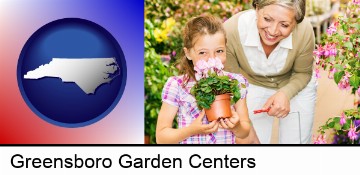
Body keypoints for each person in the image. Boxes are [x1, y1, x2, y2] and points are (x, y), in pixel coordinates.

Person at [224, 0, 317, 144]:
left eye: (284, 25)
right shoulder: (231, 31)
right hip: (249, 85)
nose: (273, 31)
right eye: (267, 19)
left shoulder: (304, 31)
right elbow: (232, 81)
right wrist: (244, 122)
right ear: (257, 9)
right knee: (252, 140)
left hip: (296, 83)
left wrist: (285, 93)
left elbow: (302, 73)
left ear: (295, 23)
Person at [156, 15, 256, 144]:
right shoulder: (177, 85)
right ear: (188, 53)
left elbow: (245, 130)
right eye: (203, 52)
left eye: (219, 51)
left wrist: (236, 126)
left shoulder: (235, 82)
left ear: (226, 48)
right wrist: (192, 130)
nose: (212, 59)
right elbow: (161, 137)